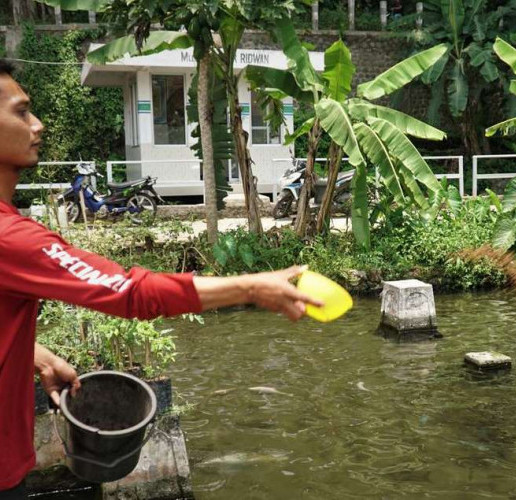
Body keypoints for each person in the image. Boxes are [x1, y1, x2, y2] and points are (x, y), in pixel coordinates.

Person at [0, 59, 321, 499]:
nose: (36, 125)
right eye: (20, 112)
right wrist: (250, 287)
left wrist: (37, 356)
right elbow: (131, 292)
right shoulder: (11, 238)